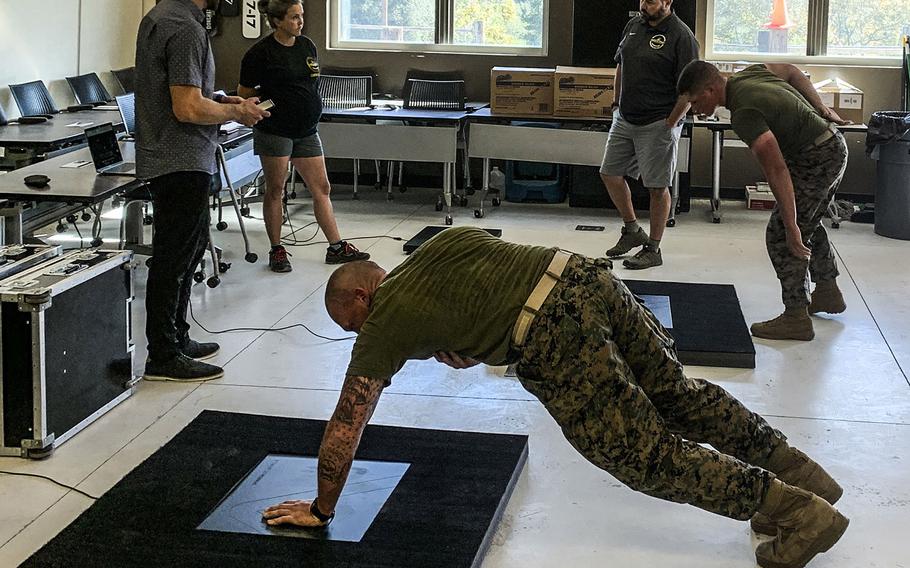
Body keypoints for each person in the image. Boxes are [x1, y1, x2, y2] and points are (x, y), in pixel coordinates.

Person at [260, 227, 849, 568]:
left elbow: (347, 422)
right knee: (678, 395)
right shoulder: (438, 248)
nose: (361, 337)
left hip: (553, 331)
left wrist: (322, 506)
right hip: (585, 276)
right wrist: (472, 343)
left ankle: (796, 512)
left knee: (641, 453)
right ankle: (801, 471)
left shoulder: (384, 320)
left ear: (363, 299)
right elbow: (490, 289)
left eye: (353, 326)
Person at [135, 0, 269, 381]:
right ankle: (162, 354)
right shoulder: (186, 29)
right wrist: (237, 113)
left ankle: (177, 337)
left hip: (174, 156)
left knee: (189, 250)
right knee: (174, 258)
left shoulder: (160, 17)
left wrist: (224, 101)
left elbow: (180, 92)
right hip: (180, 159)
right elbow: (187, 108)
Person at [677, 61, 851, 341]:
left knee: (783, 233)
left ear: (711, 89)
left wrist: (791, 225)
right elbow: (793, 71)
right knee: (808, 220)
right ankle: (828, 292)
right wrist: (820, 108)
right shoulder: (751, 73)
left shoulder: (744, 114)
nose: (695, 110)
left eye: (696, 102)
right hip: (830, 146)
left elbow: (776, 168)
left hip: (817, 158)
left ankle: (796, 317)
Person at [238, 0, 369, 273]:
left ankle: (336, 246)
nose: (300, 21)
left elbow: (309, 83)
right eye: (294, 17)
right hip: (276, 130)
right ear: (277, 20)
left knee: (322, 187)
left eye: (301, 16)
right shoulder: (259, 54)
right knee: (276, 189)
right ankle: (277, 249)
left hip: (307, 130)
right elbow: (245, 94)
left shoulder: (306, 45)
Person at [599, 0, 698, 270]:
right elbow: (621, 65)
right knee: (609, 173)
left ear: (667, 2)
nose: (644, 4)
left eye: (651, 1)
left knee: (656, 187)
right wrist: (616, 104)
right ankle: (632, 230)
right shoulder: (633, 25)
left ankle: (653, 248)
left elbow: (691, 88)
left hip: (659, 122)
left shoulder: (682, 36)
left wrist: (671, 122)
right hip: (625, 118)